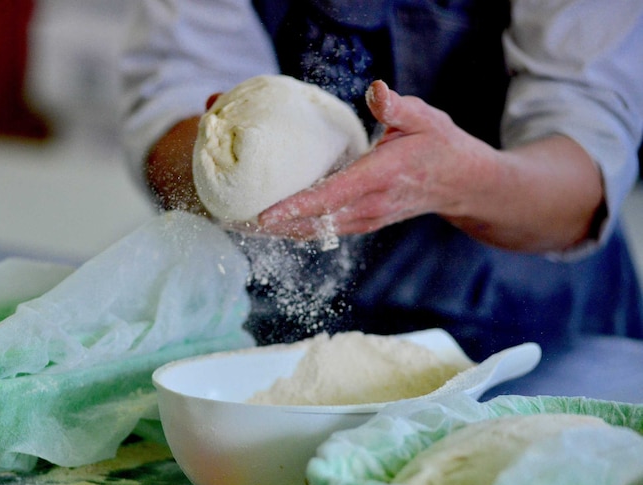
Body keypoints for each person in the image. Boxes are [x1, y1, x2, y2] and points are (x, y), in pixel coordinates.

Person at [118, 0, 643, 361]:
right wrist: (221, 166)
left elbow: (583, 152)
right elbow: (175, 92)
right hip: (278, 330)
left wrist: (460, 180)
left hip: (526, 329)